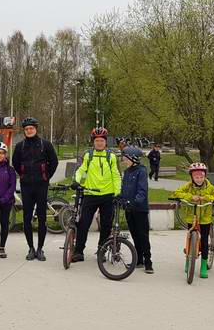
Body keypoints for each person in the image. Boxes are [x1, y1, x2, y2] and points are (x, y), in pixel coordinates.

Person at [71, 127, 122, 262]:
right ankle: (79, 251)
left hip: (108, 195)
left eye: (101, 141)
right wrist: (76, 181)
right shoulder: (88, 155)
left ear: (105, 142)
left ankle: (102, 251)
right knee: (83, 224)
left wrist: (117, 192)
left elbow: (116, 175)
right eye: (97, 140)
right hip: (90, 194)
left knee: (106, 225)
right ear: (93, 142)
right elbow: (81, 170)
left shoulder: (111, 156)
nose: (99, 143)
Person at [11, 117, 59, 261]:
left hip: (41, 186)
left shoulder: (45, 145)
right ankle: (31, 248)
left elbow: (54, 162)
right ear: (24, 131)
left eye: (31, 128)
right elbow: (15, 163)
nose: (29, 131)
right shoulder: (20, 146)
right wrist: (24, 175)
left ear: (36, 129)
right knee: (27, 219)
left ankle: (40, 248)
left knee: (42, 218)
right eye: (26, 129)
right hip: (26, 186)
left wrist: (46, 176)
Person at [171, 162, 214, 279]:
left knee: (204, 240)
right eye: (196, 177)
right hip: (192, 215)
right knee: (190, 237)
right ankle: (188, 260)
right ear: (192, 177)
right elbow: (176, 193)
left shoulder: (209, 187)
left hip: (205, 217)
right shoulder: (188, 186)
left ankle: (203, 266)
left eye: (201, 177)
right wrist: (190, 197)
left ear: (205, 176)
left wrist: (206, 198)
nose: (199, 179)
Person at [119, 146, 153, 273]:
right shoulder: (127, 172)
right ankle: (139, 260)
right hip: (129, 209)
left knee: (143, 235)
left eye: (125, 158)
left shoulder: (141, 171)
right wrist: (119, 198)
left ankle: (148, 262)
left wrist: (134, 202)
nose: (124, 160)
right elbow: (124, 189)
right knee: (134, 235)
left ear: (133, 158)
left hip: (140, 209)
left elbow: (142, 191)